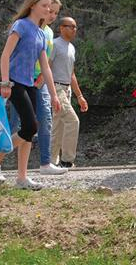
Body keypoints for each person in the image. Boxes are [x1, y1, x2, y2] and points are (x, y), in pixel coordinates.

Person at [0, 0, 62, 190]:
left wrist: (54, 95)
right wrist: (5, 82)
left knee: (28, 132)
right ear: (32, 5)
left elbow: (45, 67)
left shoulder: (41, 33)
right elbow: (5, 55)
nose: (47, 10)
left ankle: (22, 178)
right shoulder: (21, 25)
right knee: (30, 127)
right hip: (15, 83)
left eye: (49, 7)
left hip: (31, 84)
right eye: (44, 6)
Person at [10, 0, 67, 175]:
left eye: (55, 13)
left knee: (43, 121)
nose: (51, 15)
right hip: (21, 80)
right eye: (50, 10)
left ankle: (45, 162)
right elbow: (12, 56)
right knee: (16, 123)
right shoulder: (25, 26)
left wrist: (49, 88)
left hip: (39, 82)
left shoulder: (47, 32)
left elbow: (46, 61)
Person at [50, 16, 89, 168]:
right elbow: (46, 67)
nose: (74, 30)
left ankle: (51, 162)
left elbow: (71, 74)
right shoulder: (54, 44)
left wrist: (79, 96)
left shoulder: (71, 48)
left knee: (57, 126)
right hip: (55, 87)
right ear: (61, 28)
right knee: (73, 121)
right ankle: (67, 160)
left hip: (66, 90)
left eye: (75, 27)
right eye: (70, 26)